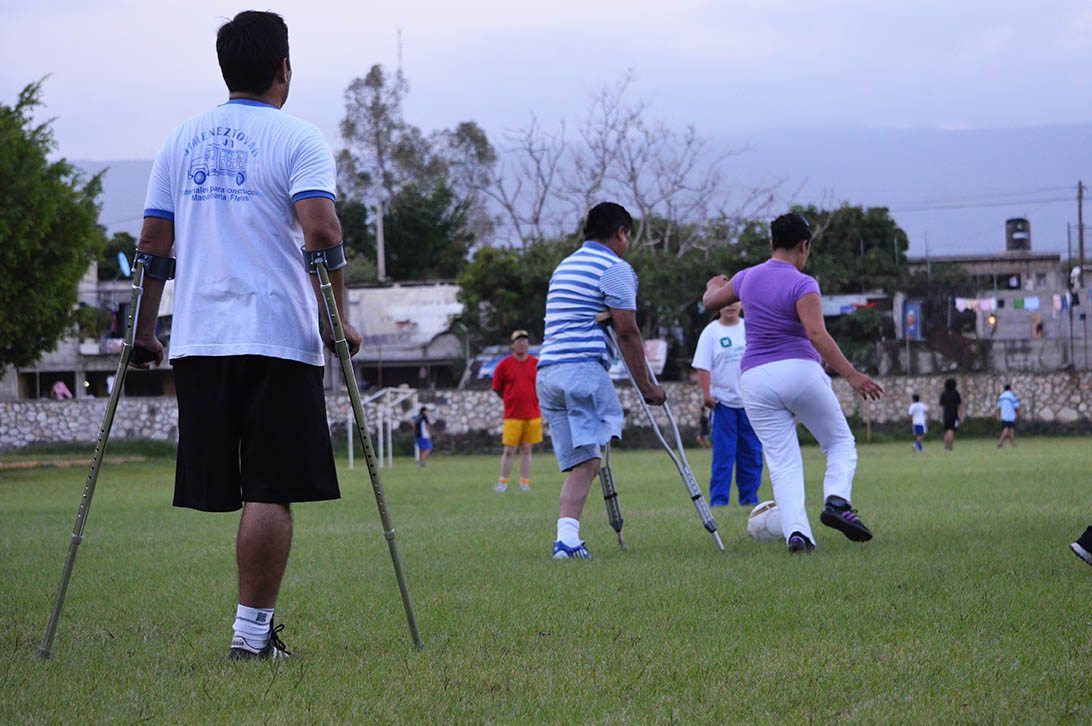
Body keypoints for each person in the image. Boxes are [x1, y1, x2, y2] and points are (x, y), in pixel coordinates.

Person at [129, 11, 361, 660]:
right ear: (284, 68)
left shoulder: (180, 139)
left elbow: (153, 242)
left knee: (230, 486)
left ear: (226, 67)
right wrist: (335, 318)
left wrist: (143, 334)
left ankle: (254, 634)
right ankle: (251, 637)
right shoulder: (299, 138)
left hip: (200, 342)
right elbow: (322, 232)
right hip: (275, 339)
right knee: (269, 487)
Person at [703, 212, 884, 554]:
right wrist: (852, 374)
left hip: (754, 380)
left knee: (782, 462)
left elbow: (710, 301)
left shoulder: (746, 278)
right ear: (804, 246)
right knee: (840, 444)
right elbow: (816, 333)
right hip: (799, 371)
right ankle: (837, 502)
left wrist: (713, 285)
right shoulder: (804, 283)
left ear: (771, 244)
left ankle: (798, 535)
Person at [536, 202, 666, 559]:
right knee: (589, 461)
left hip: (547, 374)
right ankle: (566, 541)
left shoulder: (565, 265)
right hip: (581, 369)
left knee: (584, 461)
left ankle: (567, 539)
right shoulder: (615, 268)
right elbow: (628, 332)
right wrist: (647, 387)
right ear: (621, 233)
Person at [691, 302, 763, 506]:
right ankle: (719, 502)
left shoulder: (750, 326)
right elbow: (703, 366)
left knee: (752, 454)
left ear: (741, 303)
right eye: (725, 303)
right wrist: (707, 395)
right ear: (718, 306)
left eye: (734, 301)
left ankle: (749, 500)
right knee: (724, 456)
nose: (730, 306)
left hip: (750, 403)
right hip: (723, 404)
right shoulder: (711, 332)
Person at [491, 329, 541, 492]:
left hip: (532, 414)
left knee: (527, 449)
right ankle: (503, 482)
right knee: (509, 450)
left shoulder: (536, 364)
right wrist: (509, 399)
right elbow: (497, 388)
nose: (522, 344)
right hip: (512, 415)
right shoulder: (503, 365)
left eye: (525, 341)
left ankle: (524, 482)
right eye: (518, 341)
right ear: (512, 345)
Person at [939, 379, 963, 451]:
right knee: (951, 430)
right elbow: (959, 406)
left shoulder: (943, 394)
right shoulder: (956, 394)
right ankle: (950, 447)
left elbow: (941, 404)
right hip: (954, 415)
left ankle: (946, 446)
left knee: (946, 431)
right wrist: (961, 416)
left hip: (945, 414)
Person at [996, 384, 1020, 448]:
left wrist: (998, 415)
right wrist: (1018, 414)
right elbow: (1016, 406)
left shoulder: (1001, 396)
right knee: (1007, 429)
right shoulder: (1012, 396)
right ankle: (1000, 443)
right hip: (1010, 416)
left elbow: (998, 407)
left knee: (1011, 430)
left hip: (1004, 416)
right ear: (1010, 389)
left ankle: (1013, 444)